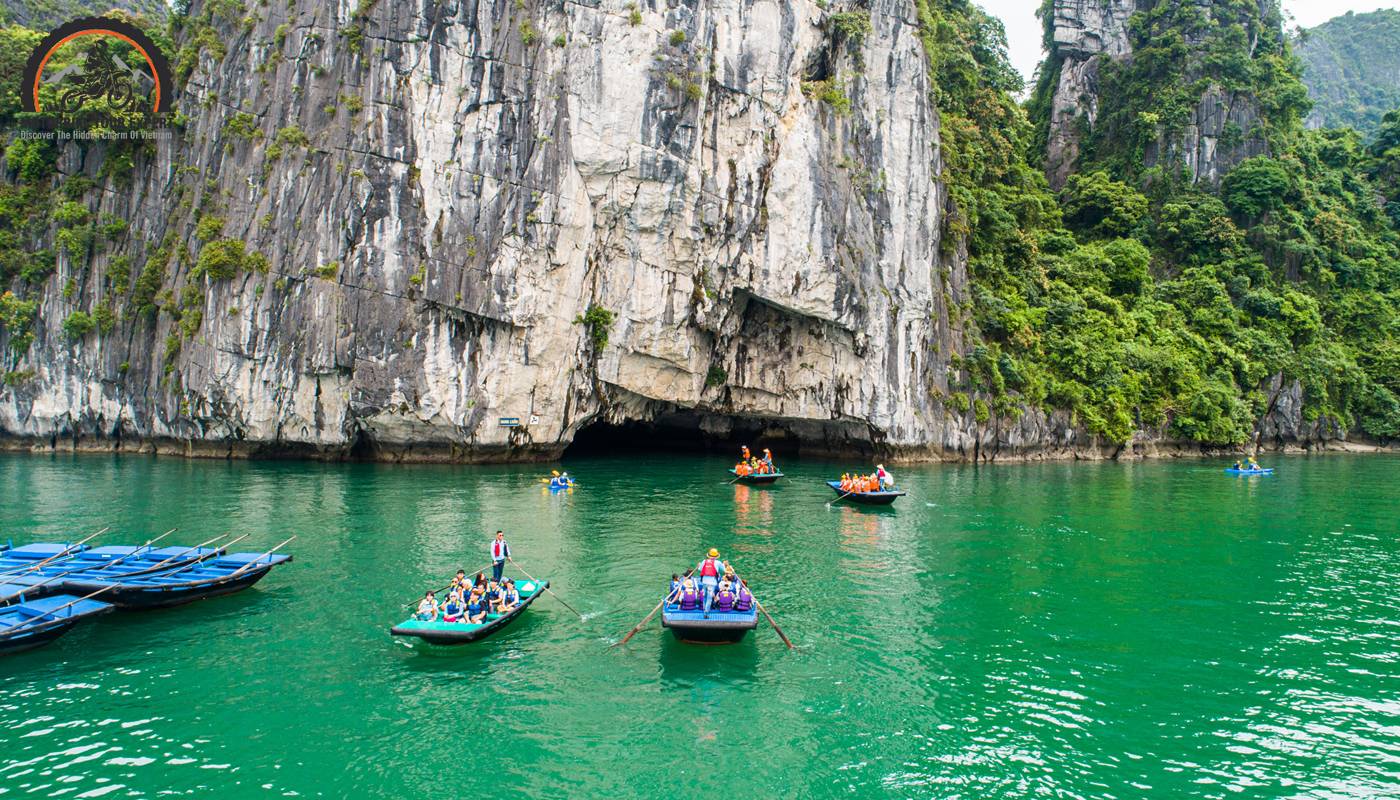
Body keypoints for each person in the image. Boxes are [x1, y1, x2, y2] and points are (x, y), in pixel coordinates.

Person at [696, 548, 724, 615]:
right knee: (709, 598)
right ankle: (706, 612)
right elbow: (723, 570)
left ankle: (704, 610)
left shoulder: (704, 561)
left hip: (704, 582)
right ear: (716, 556)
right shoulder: (718, 563)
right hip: (712, 583)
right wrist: (724, 564)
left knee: (705, 596)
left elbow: (699, 569)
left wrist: (698, 565)